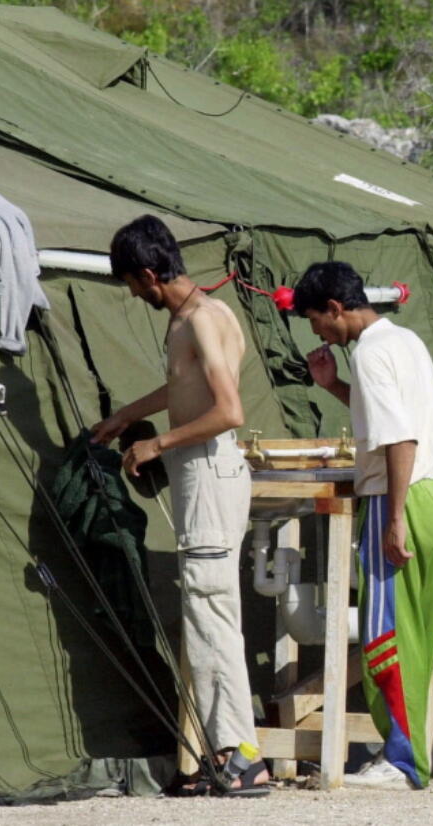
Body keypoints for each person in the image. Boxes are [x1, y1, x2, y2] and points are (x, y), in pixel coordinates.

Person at [91, 215, 269, 797]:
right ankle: (229, 751)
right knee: (206, 614)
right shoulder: (200, 317)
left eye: (133, 284)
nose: (135, 295)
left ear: (148, 273)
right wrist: (125, 416)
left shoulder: (199, 321)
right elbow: (184, 387)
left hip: (210, 474)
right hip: (205, 475)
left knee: (212, 615)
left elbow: (228, 410)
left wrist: (157, 442)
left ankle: (242, 755)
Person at [294, 261, 433, 790]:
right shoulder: (403, 339)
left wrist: (393, 517)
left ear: (336, 309)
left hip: (399, 494)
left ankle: (403, 759)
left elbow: (398, 440)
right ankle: (410, 754)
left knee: (385, 633)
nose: (318, 331)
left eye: (318, 320)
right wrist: (333, 386)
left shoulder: (368, 353)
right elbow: (390, 419)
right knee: (419, 631)